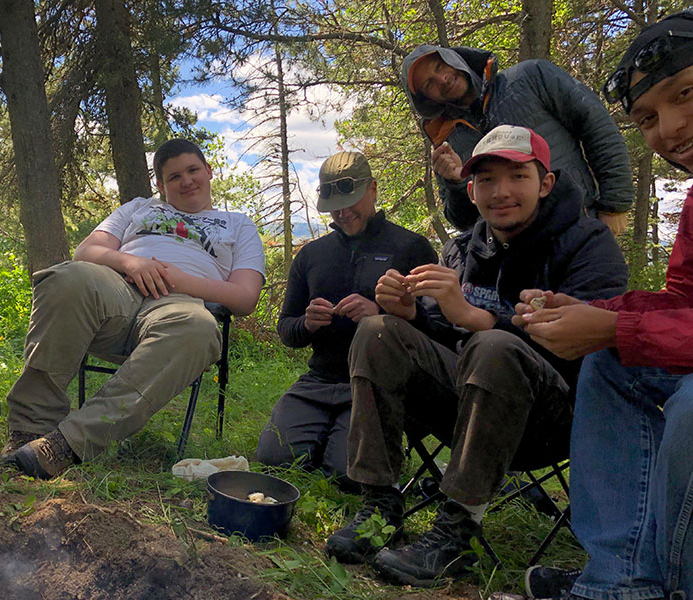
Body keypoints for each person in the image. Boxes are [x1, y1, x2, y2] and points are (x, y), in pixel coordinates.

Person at [324, 125, 628, 586]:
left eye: (517, 177)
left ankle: (454, 533)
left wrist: (474, 316)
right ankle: (380, 506)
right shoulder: (463, 249)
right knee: (378, 331)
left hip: (553, 419)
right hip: (469, 409)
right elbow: (445, 340)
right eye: (486, 180)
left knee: (493, 345)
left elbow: (585, 349)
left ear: (545, 183)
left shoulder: (588, 244)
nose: (501, 192)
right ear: (471, 189)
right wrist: (412, 314)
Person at [516, 11, 693, 600]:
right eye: (645, 119)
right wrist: (596, 316)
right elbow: (683, 302)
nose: (667, 129)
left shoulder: (584, 233)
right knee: (613, 364)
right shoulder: (474, 247)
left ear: (545, 180)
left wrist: (613, 326)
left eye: (686, 93)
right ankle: (619, 583)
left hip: (539, 399)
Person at [2, 139, 265, 479]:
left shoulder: (237, 224)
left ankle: (65, 445)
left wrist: (180, 280)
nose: (186, 181)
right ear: (160, 185)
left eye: (193, 170)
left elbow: (245, 297)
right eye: (174, 177)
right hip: (118, 292)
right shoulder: (139, 207)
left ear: (208, 171)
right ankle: (29, 428)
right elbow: (87, 251)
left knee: (199, 329)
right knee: (66, 277)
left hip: (179, 307)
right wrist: (131, 262)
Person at [255, 151, 436, 489]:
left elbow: (434, 333)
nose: (343, 212)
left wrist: (382, 316)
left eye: (351, 201)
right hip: (320, 381)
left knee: (346, 475)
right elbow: (286, 329)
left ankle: (355, 442)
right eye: (335, 205)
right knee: (273, 458)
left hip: (376, 385)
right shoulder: (311, 255)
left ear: (373, 190)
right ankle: (323, 433)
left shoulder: (411, 248)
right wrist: (306, 324)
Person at [401, 43, 633, 234]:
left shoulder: (531, 77)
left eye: (439, 66)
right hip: (513, 259)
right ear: (426, 98)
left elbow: (596, 124)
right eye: (429, 83)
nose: (441, 79)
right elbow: (464, 223)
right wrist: (455, 184)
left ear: (454, 58)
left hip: (579, 229)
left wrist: (614, 204)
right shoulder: (446, 139)